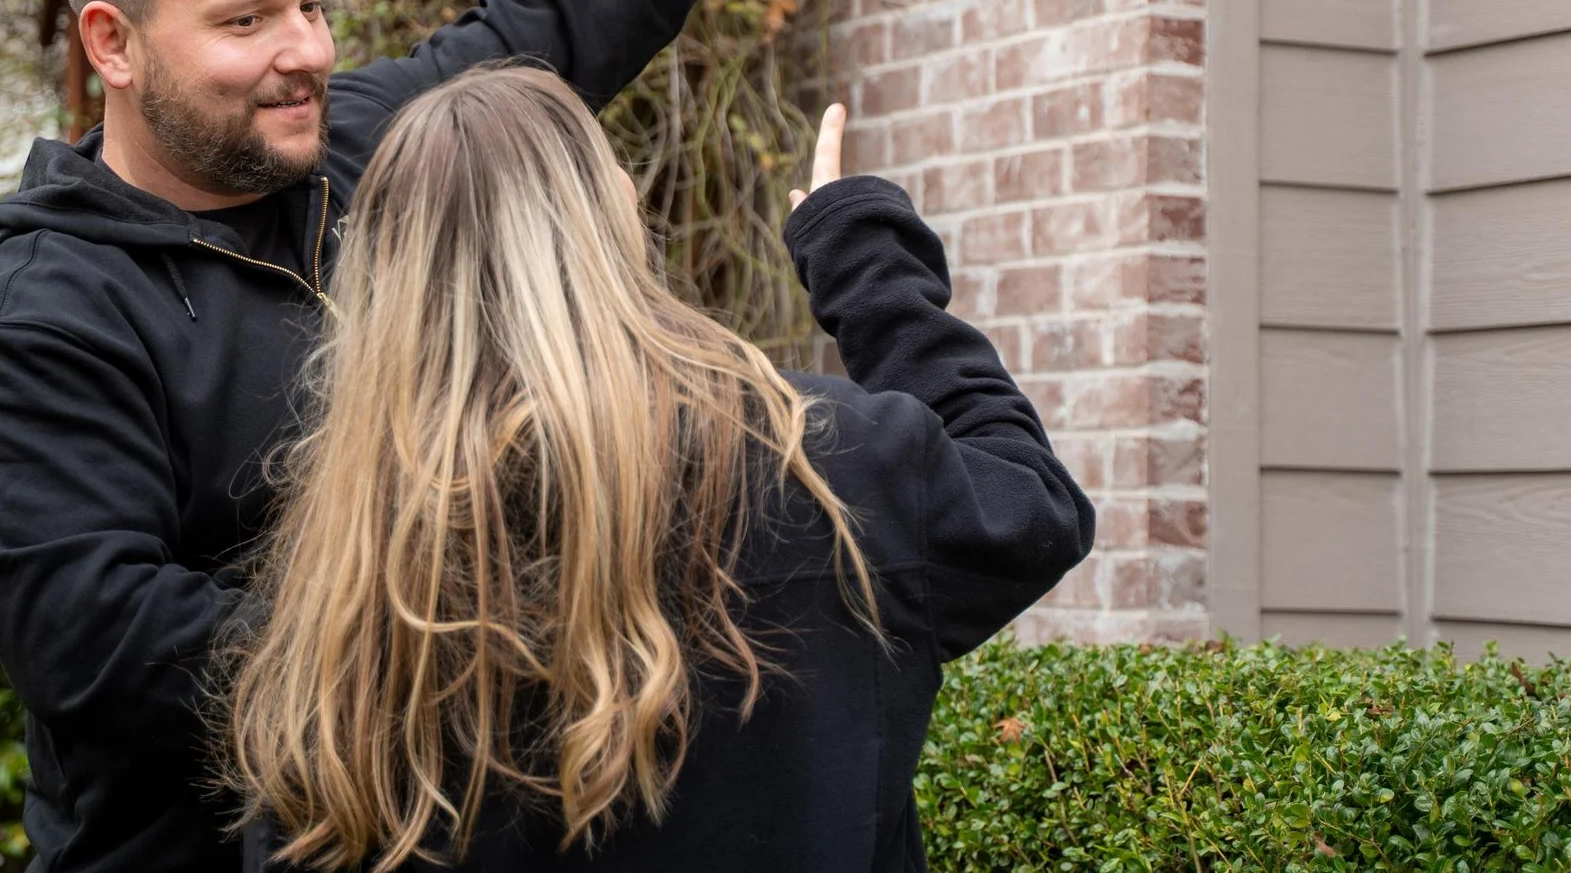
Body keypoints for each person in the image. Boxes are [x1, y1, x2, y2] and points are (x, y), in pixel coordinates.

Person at [0, 0, 851, 873]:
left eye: (310, 4)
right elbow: (104, 639)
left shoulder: (358, 146)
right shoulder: (43, 321)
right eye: (245, 21)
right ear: (115, 42)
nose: (301, 49)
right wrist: (462, 659)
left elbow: (549, 24)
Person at [226, 76, 1095, 873]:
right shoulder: (820, 463)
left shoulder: (348, 562)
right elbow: (1031, 503)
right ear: (616, 221)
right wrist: (865, 262)